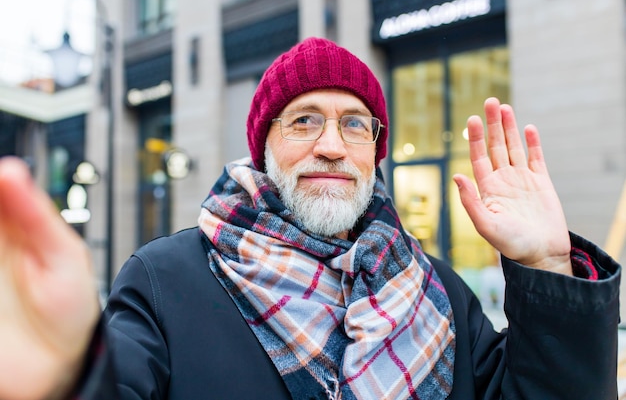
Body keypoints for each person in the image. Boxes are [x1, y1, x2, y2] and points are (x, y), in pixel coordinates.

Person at [0, 37, 620, 400]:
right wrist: (69, 375)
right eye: (303, 121)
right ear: (263, 148)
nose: (331, 145)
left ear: (373, 151)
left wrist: (546, 265)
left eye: (354, 123)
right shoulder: (164, 282)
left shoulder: (439, 293)